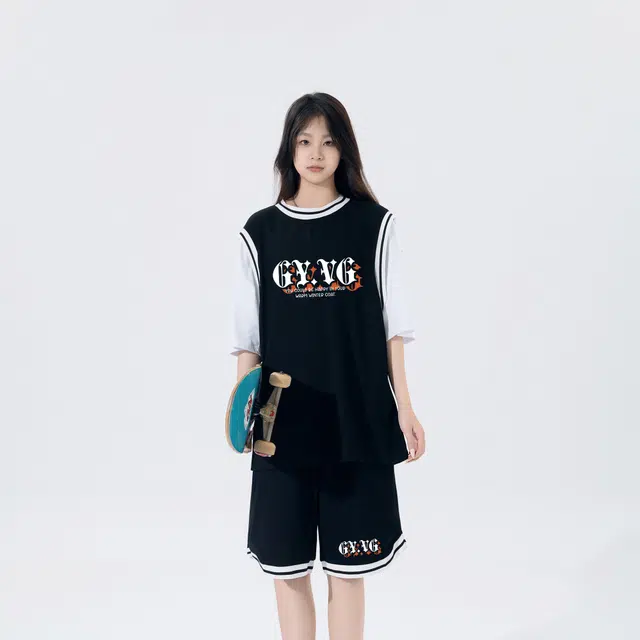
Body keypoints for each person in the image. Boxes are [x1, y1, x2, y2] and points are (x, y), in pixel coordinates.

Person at [230, 92, 426, 639]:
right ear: (289, 149)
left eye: (329, 141)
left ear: (345, 150)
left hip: (355, 420)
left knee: (348, 572)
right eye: (305, 141)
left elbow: (393, 327)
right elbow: (247, 338)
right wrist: (240, 411)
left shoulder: (373, 226)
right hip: (282, 426)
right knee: (287, 571)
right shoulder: (260, 233)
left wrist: (405, 407)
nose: (316, 153)